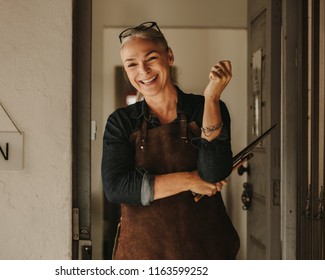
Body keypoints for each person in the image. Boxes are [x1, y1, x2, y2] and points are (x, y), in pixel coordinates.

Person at [101, 21, 239, 260]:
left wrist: (212, 97)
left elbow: (214, 172)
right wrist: (189, 180)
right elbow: (116, 187)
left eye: (151, 58)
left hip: (206, 252)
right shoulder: (121, 122)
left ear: (170, 56)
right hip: (143, 256)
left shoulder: (204, 107)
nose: (142, 70)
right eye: (131, 64)